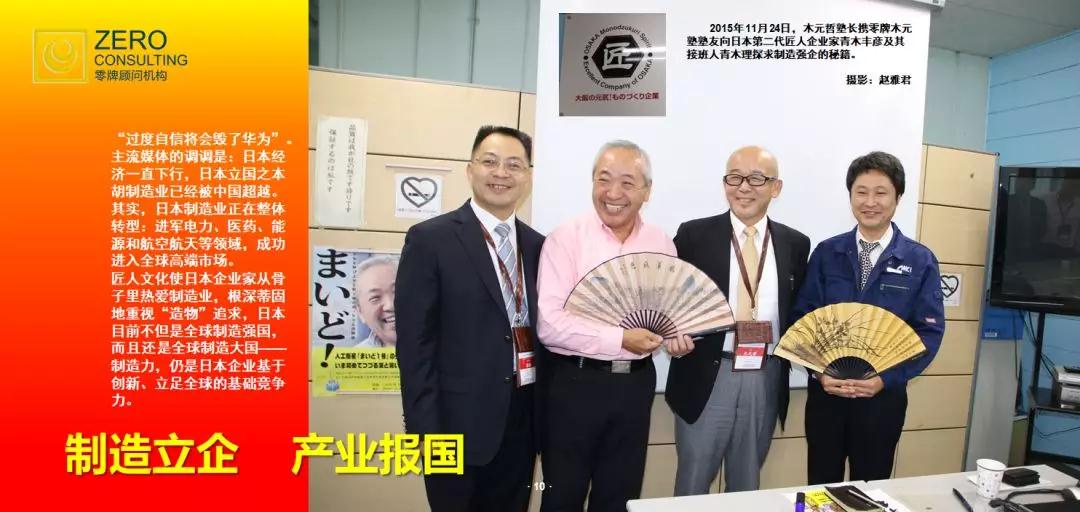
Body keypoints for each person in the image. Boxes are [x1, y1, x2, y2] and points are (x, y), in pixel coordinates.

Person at [536, 140, 693, 512]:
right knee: (562, 497)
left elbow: (667, 311)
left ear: (647, 191)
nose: (613, 193)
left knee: (619, 496)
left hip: (635, 386)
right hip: (575, 384)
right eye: (603, 180)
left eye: (627, 182)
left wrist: (677, 336)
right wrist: (620, 338)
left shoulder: (660, 242)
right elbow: (549, 324)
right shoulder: (565, 238)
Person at [395, 125, 545, 512]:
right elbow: (414, 344)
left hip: (521, 421)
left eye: (514, 165)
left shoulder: (538, 246)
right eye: (490, 162)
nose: (501, 173)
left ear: (527, 176)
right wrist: (424, 430)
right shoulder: (430, 239)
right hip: (453, 424)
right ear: (470, 169)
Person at [792, 151, 944, 484]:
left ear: (897, 198)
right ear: (850, 196)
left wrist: (885, 379)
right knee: (820, 488)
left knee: (871, 490)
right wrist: (818, 372)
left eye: (881, 192)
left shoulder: (920, 260)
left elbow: (927, 333)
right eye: (861, 192)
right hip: (826, 397)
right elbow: (803, 318)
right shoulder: (827, 253)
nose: (870, 202)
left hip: (882, 400)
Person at [666, 146, 810, 495]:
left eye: (756, 178)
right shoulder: (693, 236)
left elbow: (800, 310)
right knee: (692, 483)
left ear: (776, 187)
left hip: (765, 375)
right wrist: (671, 334)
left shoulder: (795, 243)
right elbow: (668, 298)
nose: (743, 187)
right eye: (734, 178)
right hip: (706, 373)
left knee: (746, 483)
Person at [354, 255, 398, 348]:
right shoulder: (356, 355)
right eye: (375, 298)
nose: (390, 305)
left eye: (398, 291)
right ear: (360, 313)